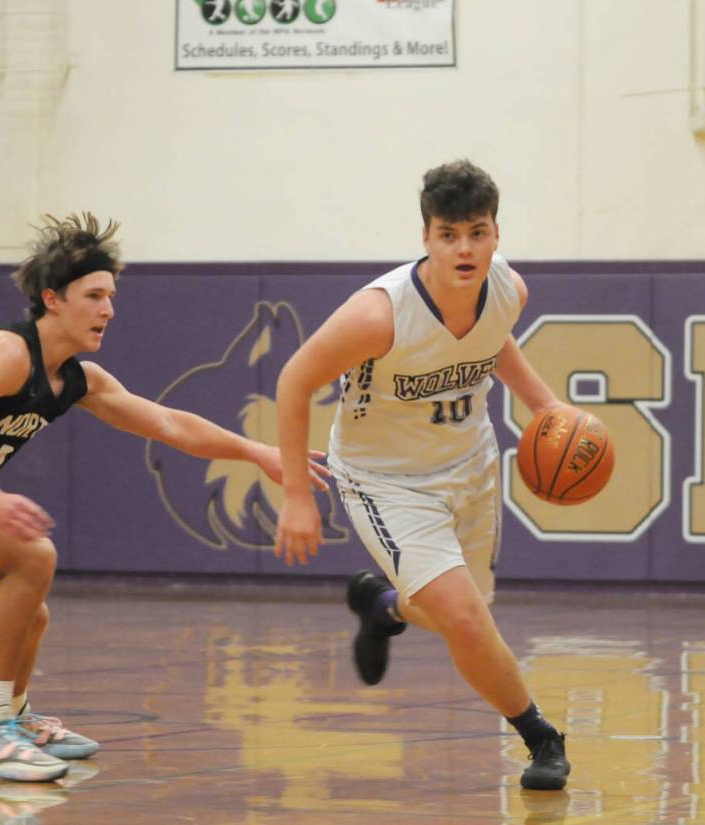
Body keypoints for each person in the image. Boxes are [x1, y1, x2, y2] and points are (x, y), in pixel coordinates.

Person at [0, 213, 330, 783]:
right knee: (33, 555)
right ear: (52, 300)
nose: (109, 309)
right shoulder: (7, 353)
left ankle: (11, 721)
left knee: (30, 614)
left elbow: (170, 424)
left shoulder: (78, 379)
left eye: (111, 295)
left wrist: (258, 453)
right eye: (95, 295)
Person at [273, 159, 571, 791]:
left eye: (477, 232)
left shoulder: (509, 290)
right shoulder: (379, 315)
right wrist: (297, 494)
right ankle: (541, 737)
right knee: (467, 621)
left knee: (466, 614)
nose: (464, 248)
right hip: (384, 480)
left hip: (469, 466)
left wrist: (546, 406)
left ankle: (385, 609)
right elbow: (295, 380)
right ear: (426, 238)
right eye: (448, 234)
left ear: (496, 233)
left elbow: (493, 343)